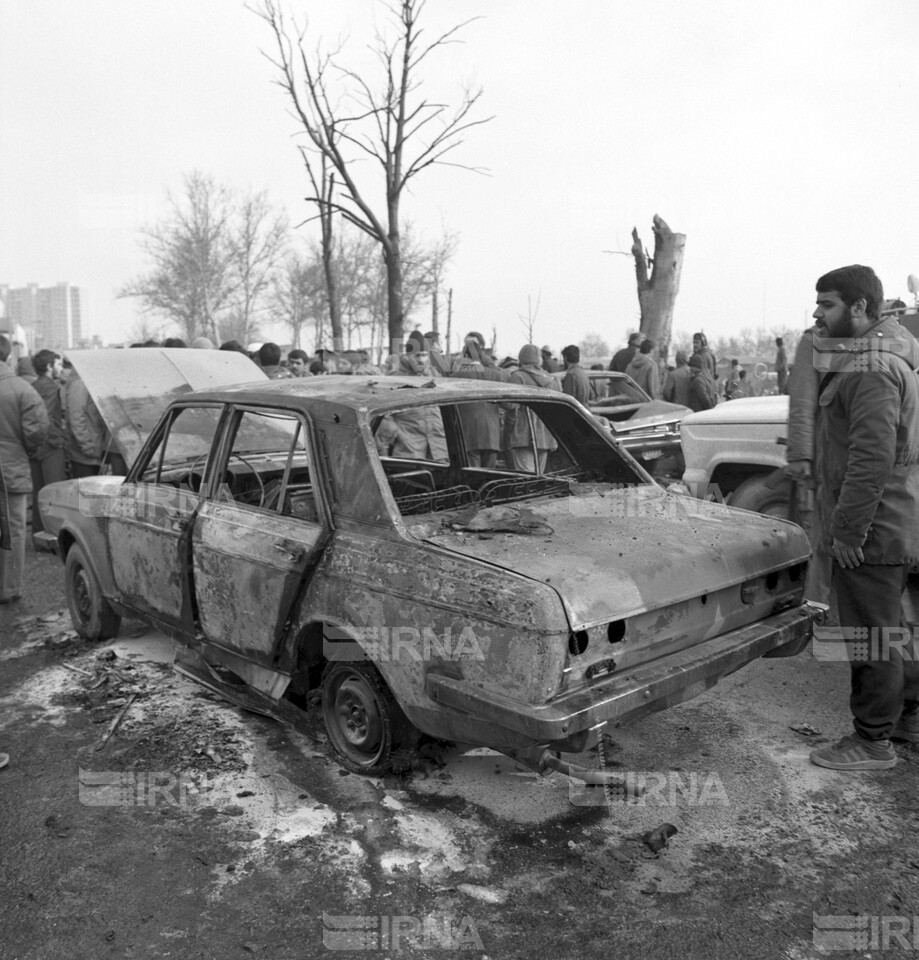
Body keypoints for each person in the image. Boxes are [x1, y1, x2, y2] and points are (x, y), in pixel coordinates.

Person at [805, 265, 919, 771]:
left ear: (859, 309)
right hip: (897, 519)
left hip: (873, 527)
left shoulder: (870, 366)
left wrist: (847, 532)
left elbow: (870, 457)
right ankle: (904, 719)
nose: (816, 313)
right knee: (898, 629)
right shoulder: (887, 354)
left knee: (871, 635)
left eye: (827, 304)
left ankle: (872, 743)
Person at [0, 335, 49, 603]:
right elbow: (37, 430)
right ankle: (9, 589)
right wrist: (26, 452)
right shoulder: (22, 389)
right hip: (11, 466)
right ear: (8, 356)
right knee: (15, 527)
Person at [29, 350, 68, 551]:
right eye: (58, 365)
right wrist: (57, 440)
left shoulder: (33, 386)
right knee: (54, 493)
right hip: (50, 446)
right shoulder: (52, 388)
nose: (61, 368)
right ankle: (54, 540)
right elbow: (49, 419)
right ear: (49, 366)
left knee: (38, 492)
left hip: (34, 445)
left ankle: (38, 537)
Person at [450, 332, 507, 467]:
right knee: (489, 478)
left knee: (472, 475)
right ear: (481, 355)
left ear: (465, 356)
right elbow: (508, 405)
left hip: (468, 433)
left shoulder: (455, 377)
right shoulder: (495, 375)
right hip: (491, 434)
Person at [507, 344, 561, 472]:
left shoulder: (518, 376)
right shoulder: (552, 380)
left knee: (525, 479)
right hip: (545, 435)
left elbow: (509, 405)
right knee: (538, 477)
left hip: (523, 434)